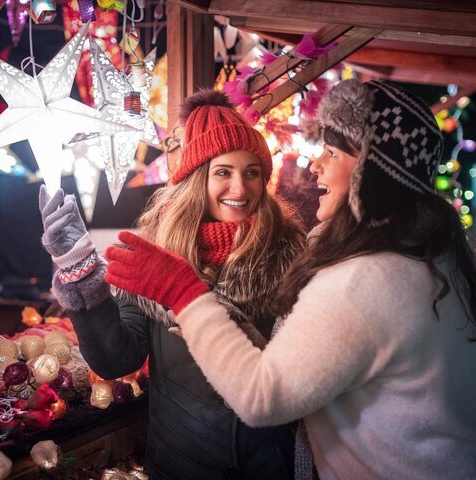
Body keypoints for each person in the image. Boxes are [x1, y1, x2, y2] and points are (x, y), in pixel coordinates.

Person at [105, 80, 476, 479]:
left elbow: (261, 397)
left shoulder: (360, 278)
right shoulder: (470, 266)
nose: (315, 164)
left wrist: (184, 293)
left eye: (331, 152)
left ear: (372, 171)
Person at [39, 90, 305, 479]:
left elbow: (302, 371)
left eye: (252, 172)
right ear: (197, 178)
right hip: (182, 463)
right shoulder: (157, 251)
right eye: (223, 172)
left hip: (269, 464)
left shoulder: (291, 253)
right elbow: (116, 359)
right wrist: (81, 275)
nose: (241, 188)